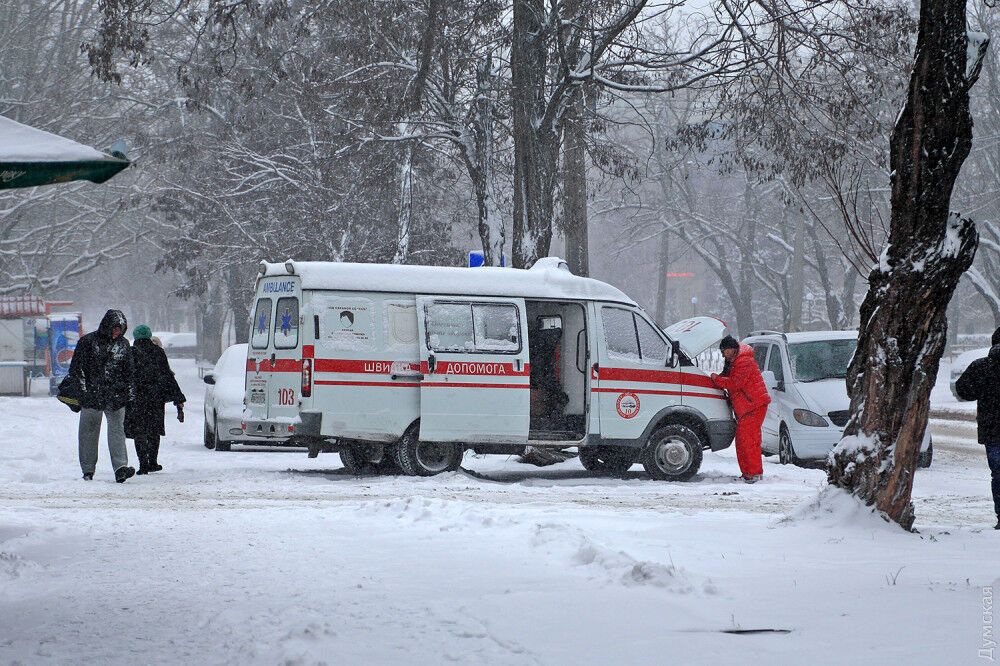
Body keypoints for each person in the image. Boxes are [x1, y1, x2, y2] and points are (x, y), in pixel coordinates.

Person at [64, 309, 136, 482]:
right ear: (107, 326)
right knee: (88, 433)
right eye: (115, 328)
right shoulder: (87, 342)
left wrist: (130, 395)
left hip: (116, 396)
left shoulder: (123, 344)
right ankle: (88, 469)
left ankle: (120, 468)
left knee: (117, 432)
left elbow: (130, 372)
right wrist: (83, 392)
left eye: (121, 329)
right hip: (92, 395)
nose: (117, 332)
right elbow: (76, 370)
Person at [954, 327, 1000, 530]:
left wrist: (984, 391)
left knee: (998, 474)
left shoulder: (981, 366)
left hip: (992, 430)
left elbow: (962, 390)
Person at [125, 325, 186, 475]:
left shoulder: (130, 353)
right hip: (155, 398)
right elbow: (167, 375)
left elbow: (125, 376)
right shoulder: (158, 352)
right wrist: (178, 398)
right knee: (153, 430)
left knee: (139, 431)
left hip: (137, 399)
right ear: (149, 335)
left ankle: (143, 464)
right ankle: (152, 461)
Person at [710, 335, 771, 483]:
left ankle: (753, 473)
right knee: (746, 441)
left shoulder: (744, 362)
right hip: (749, 406)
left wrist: (715, 379)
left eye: (724, 351)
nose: (723, 354)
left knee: (748, 441)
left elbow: (735, 383)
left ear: (731, 349)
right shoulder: (736, 361)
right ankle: (750, 473)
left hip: (753, 406)